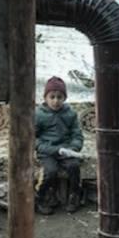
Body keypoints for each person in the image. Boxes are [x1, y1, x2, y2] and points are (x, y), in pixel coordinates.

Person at [35, 76, 84, 215]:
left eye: (59, 97)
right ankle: (42, 198)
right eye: (52, 97)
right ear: (45, 97)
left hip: (66, 150)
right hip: (48, 151)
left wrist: (73, 148)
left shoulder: (70, 114)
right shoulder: (38, 114)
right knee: (50, 171)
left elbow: (77, 134)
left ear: (64, 98)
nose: (56, 101)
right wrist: (45, 148)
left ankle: (75, 196)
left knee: (73, 166)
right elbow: (33, 138)